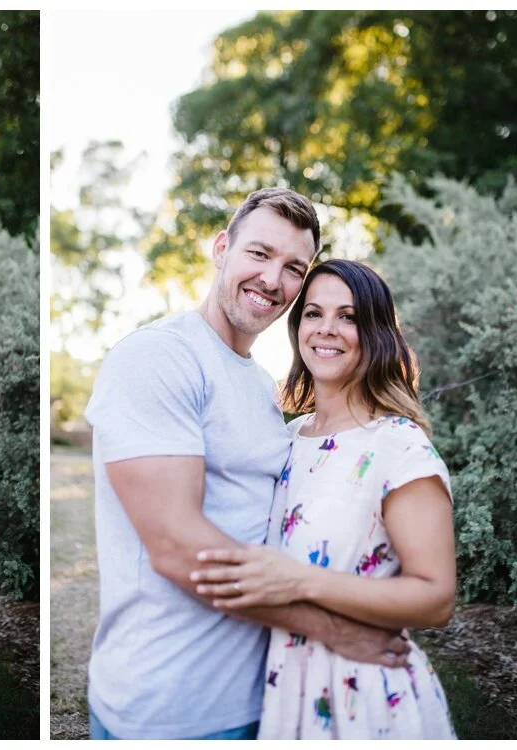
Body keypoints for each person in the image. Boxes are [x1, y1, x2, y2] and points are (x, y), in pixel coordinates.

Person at [83, 189, 412, 740]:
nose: (271, 279)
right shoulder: (158, 357)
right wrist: (333, 630)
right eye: (259, 253)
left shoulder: (262, 388)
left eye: (292, 268)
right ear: (221, 249)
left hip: (268, 695)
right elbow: (178, 547)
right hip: (169, 706)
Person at [192, 259, 457, 739]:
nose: (327, 330)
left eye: (348, 316)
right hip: (282, 688)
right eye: (313, 314)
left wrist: (300, 580)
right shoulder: (286, 439)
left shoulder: (399, 447)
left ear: (375, 332)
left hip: (366, 695)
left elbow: (435, 598)